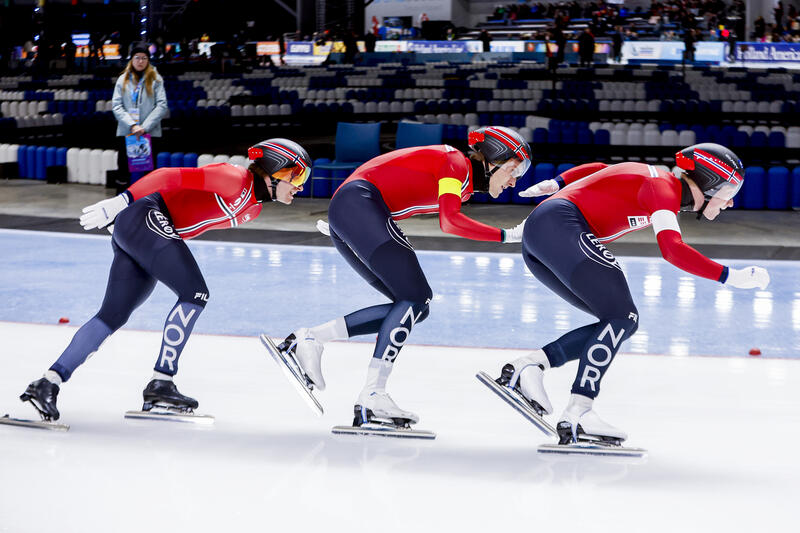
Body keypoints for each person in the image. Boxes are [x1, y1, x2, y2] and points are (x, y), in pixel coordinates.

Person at [485, 143, 770, 446]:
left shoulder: (657, 180)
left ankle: (531, 366)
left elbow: (599, 168)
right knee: (622, 316)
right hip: (560, 226)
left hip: (547, 232)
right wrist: (730, 277)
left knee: (621, 321)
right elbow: (672, 250)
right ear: (710, 180)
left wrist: (559, 182)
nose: (730, 200)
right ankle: (578, 410)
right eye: (730, 188)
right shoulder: (664, 188)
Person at [19, 139, 312, 422]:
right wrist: (122, 202)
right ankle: (162, 382)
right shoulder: (233, 178)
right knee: (194, 292)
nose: (300, 186)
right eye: (296, 176)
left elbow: (191, 215)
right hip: (145, 216)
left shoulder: (253, 207)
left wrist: (134, 230)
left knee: (113, 315)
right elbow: (166, 176)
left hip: (145, 227)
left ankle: (47, 383)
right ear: (275, 169)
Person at [272, 127, 532, 428]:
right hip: (360, 206)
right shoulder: (456, 164)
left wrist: (352, 224)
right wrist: (509, 235)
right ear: (492, 161)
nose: (514, 181)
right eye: (513, 170)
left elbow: (394, 185)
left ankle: (311, 339)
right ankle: (371, 392)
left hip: (357, 209)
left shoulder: (462, 180)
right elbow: (450, 222)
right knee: (416, 298)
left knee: (413, 307)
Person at [111, 43, 167, 191]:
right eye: (137, 58)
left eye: (144, 58)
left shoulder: (156, 79)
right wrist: (132, 125)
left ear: (148, 60)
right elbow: (116, 106)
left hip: (150, 133)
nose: (140, 61)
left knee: (149, 171)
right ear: (132, 60)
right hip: (127, 132)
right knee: (123, 168)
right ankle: (121, 204)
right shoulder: (122, 80)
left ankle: (147, 206)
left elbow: (161, 105)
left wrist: (144, 127)